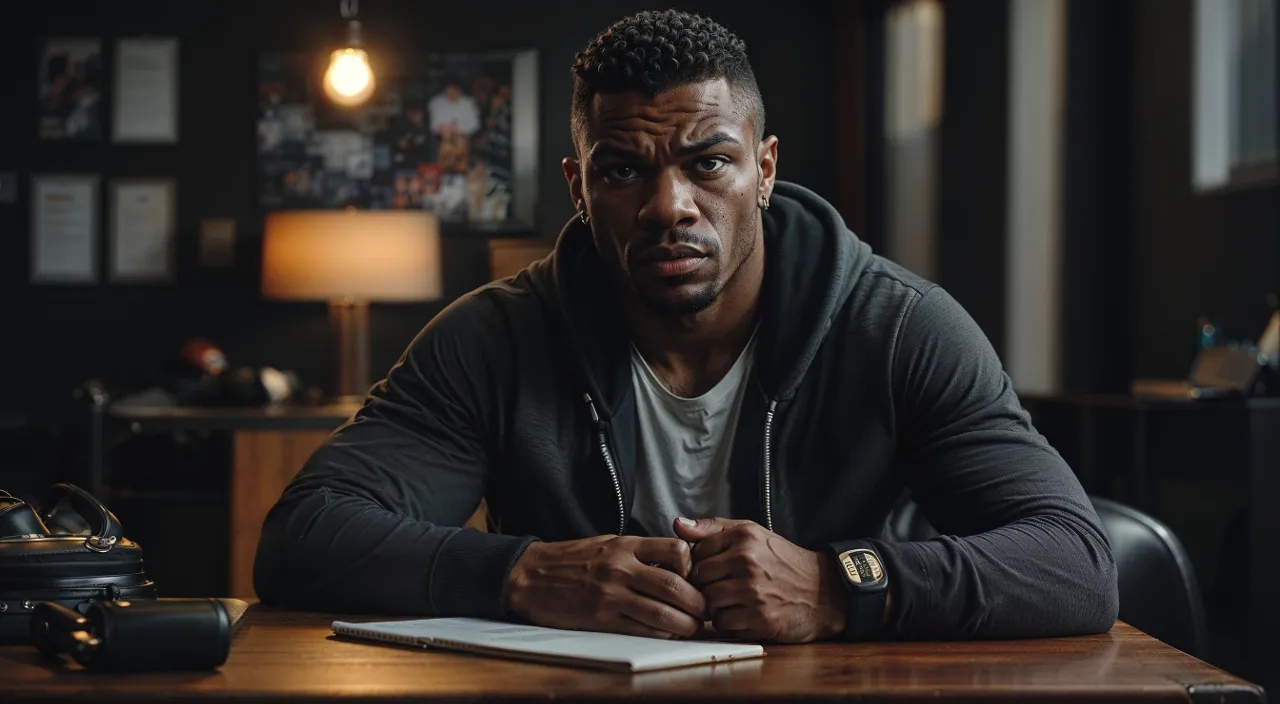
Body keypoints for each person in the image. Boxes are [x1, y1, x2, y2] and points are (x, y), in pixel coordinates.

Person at [255, 9, 1118, 643]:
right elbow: (306, 537)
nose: (669, 207)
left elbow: (1074, 563)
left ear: (765, 168)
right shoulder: (493, 339)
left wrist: (834, 584)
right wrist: (524, 574)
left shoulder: (898, 327)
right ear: (579, 186)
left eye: (709, 163)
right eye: (624, 170)